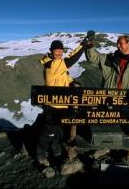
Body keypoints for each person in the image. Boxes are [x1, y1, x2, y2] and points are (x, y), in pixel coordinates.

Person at [36, 35, 92, 167]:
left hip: (62, 103)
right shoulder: (51, 64)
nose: (59, 53)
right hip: (53, 104)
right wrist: (84, 44)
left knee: (59, 130)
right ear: (51, 51)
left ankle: (56, 151)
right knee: (49, 131)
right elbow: (72, 59)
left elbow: (65, 77)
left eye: (61, 50)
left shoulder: (58, 64)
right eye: (57, 50)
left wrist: (72, 83)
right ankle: (40, 154)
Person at [85, 30, 129, 99]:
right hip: (108, 98)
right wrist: (89, 45)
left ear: (128, 44)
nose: (118, 45)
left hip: (127, 99)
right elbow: (94, 59)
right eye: (117, 43)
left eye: (121, 43)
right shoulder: (110, 58)